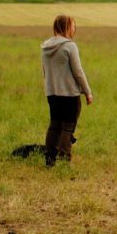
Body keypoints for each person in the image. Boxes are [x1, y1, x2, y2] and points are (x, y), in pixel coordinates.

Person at [41, 14, 93, 167]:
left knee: (54, 125)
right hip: (69, 94)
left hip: (52, 93)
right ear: (64, 27)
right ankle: (65, 160)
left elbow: (45, 71)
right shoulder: (70, 46)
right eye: (72, 26)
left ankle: (50, 159)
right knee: (67, 127)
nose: (74, 28)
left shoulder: (45, 46)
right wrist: (87, 92)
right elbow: (78, 71)